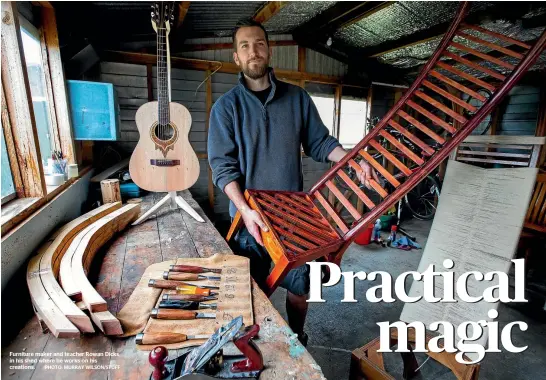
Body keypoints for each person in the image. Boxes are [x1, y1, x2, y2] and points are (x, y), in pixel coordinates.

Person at [207, 19, 378, 345]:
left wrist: (352, 160)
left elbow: (321, 143)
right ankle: (256, 345)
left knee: (302, 287)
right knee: (253, 295)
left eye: (259, 43)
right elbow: (223, 168)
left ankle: (298, 336)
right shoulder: (225, 108)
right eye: (244, 46)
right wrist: (244, 209)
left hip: (291, 221)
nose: (253, 51)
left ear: (269, 50)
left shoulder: (298, 99)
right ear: (236, 57)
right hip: (248, 223)